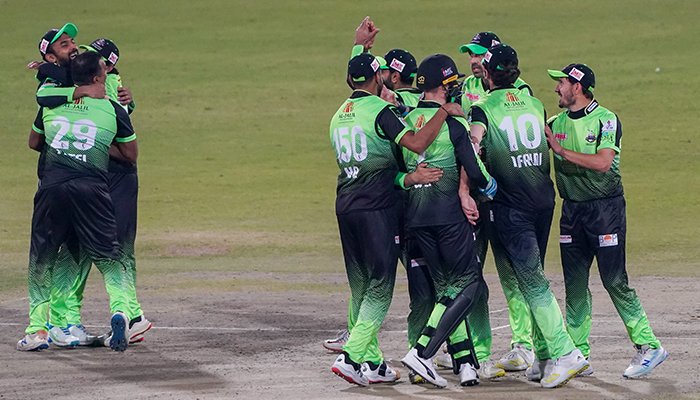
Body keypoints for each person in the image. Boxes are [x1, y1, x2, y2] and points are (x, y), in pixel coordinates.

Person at [329, 51, 464, 386]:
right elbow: (416, 143)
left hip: (346, 207)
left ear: (351, 80)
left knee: (361, 286)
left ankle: (374, 364)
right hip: (377, 210)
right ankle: (351, 356)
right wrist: (444, 111)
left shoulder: (338, 115)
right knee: (380, 288)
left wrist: (358, 47)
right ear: (378, 78)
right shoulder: (381, 111)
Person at [467, 44, 589, 388]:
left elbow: (472, 148)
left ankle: (566, 352)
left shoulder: (482, 108)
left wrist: (484, 182)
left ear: (488, 74)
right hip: (542, 199)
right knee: (524, 275)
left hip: (509, 204)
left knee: (532, 280)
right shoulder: (534, 103)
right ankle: (544, 355)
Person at [545, 63, 668, 379]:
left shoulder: (606, 120)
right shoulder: (554, 123)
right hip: (571, 212)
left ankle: (649, 346)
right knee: (574, 285)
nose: (556, 88)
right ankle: (578, 355)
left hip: (605, 211)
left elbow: (603, 162)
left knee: (614, 280)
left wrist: (560, 150)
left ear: (578, 87)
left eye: (562, 83)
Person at [17, 51, 138, 353]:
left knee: (42, 257)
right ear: (98, 78)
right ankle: (120, 310)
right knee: (109, 257)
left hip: (53, 188)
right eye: (105, 72)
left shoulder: (52, 103)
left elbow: (34, 142)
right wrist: (95, 145)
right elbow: (130, 155)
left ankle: (37, 330)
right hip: (92, 190)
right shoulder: (113, 109)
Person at [399, 53, 497, 388]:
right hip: (449, 218)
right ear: (443, 87)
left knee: (447, 290)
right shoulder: (454, 123)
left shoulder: (405, 122)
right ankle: (422, 352)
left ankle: (465, 362)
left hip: (417, 218)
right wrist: (491, 187)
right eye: (452, 84)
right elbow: (475, 170)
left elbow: (398, 170)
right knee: (468, 284)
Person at [456, 31, 536, 373]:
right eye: (470, 55)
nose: (473, 61)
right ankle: (475, 348)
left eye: (478, 55)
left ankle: (524, 345)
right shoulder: (465, 88)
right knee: (470, 272)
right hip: (474, 192)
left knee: (512, 272)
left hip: (505, 194)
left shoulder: (520, 92)